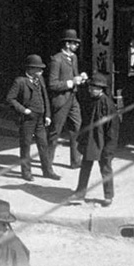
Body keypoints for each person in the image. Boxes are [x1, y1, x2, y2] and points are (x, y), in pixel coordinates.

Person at [68, 72, 119, 207]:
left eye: (93, 88)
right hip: (91, 140)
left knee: (105, 168)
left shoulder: (108, 104)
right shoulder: (91, 100)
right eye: (90, 87)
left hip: (104, 142)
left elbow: (112, 129)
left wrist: (109, 147)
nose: (90, 90)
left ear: (101, 89)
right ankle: (80, 193)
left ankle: (108, 196)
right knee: (85, 167)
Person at [7, 54, 58, 182]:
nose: (41, 71)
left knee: (43, 144)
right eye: (38, 69)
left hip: (40, 118)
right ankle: (26, 172)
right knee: (26, 145)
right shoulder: (20, 81)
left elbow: (45, 97)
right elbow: (10, 99)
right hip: (27, 119)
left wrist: (47, 115)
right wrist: (23, 110)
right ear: (30, 69)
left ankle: (47, 170)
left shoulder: (40, 80)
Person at [46, 29, 87, 171]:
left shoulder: (73, 58)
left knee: (77, 127)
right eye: (74, 43)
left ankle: (76, 161)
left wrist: (81, 78)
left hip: (73, 98)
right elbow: (52, 84)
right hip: (61, 100)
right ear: (67, 44)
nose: (77, 45)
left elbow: (74, 76)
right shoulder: (56, 60)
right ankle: (47, 164)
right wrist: (71, 82)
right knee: (55, 132)